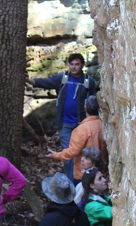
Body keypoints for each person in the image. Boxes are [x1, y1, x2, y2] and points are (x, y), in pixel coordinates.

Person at [27, 53, 96, 181]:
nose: (74, 67)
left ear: (82, 65)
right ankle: (73, 183)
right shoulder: (62, 78)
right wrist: (29, 80)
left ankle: (85, 183)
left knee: (83, 154)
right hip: (65, 124)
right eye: (72, 64)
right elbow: (46, 82)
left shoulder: (88, 82)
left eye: (77, 64)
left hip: (82, 125)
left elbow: (93, 102)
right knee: (68, 155)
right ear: (68, 65)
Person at [46, 95, 108, 185]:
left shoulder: (82, 129)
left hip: (84, 176)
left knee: (82, 198)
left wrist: (56, 155)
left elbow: (72, 152)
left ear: (85, 109)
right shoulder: (105, 126)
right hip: (102, 175)